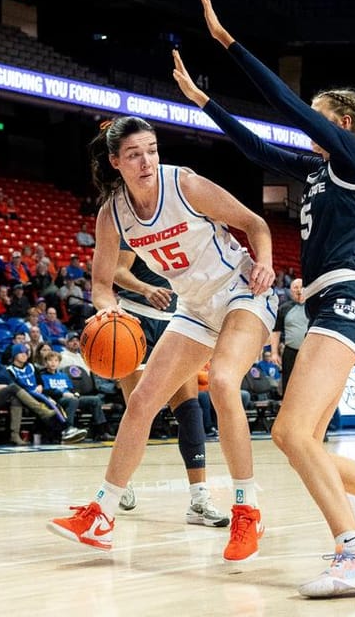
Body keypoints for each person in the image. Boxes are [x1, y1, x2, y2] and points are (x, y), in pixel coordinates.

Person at [171, 0, 355, 597]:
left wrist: (228, 43)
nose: (308, 127)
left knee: (293, 434)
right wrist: (205, 102)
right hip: (327, 303)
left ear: (345, 124)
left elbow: (287, 109)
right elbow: (256, 146)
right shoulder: (318, 171)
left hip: (348, 301)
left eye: (319, 118)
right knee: (304, 442)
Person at [47, 114, 276, 562]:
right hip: (193, 307)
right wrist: (108, 310)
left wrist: (264, 261)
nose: (146, 160)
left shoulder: (185, 185)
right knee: (143, 400)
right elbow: (100, 285)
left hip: (241, 291)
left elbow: (256, 224)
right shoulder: (112, 214)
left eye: (151, 150)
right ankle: (102, 515)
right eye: (134, 154)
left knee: (225, 382)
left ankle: (247, 509)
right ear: (116, 161)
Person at [112, 243, 229, 528]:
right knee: (139, 412)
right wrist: (145, 288)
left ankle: (199, 499)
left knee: (190, 409)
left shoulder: (186, 231)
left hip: (177, 322)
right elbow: (117, 271)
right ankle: (119, 480)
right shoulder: (134, 230)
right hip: (135, 319)